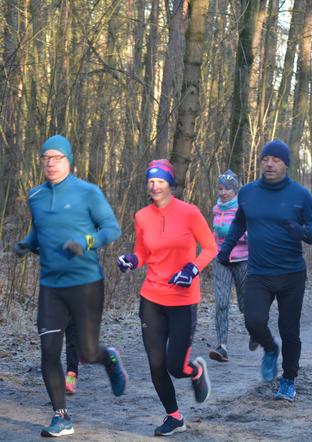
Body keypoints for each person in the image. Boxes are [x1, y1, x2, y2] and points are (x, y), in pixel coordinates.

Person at [13, 134, 126, 437]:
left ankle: (109, 358)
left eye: (57, 157)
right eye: (46, 157)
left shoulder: (88, 192)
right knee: (49, 352)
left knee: (87, 351)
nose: (50, 163)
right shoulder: (35, 195)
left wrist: (87, 242)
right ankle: (61, 416)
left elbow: (111, 229)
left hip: (86, 283)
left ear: (68, 160)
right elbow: (38, 231)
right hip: (51, 286)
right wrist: (26, 244)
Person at [217, 140, 312, 402]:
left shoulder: (300, 195)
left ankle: (288, 380)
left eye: (276, 159)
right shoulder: (248, 193)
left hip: (291, 275)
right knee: (253, 321)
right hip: (259, 273)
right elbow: (240, 221)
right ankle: (269, 348)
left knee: (290, 330)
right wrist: (227, 248)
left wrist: (304, 232)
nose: (269, 163)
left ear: (286, 164)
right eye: (266, 158)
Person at [116, 159, 216, 436]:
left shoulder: (190, 213)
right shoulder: (141, 216)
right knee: (156, 363)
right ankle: (174, 416)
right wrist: (130, 260)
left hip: (183, 300)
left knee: (175, 366)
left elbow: (209, 248)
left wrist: (192, 269)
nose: (154, 185)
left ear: (170, 184)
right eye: (150, 181)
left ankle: (194, 372)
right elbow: (143, 253)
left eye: (160, 181)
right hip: (151, 297)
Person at [209, 170, 249, 363]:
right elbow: (213, 234)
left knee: (244, 303)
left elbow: (251, 235)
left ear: (235, 190)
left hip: (242, 259)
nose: (223, 192)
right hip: (221, 260)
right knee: (222, 302)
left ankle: (256, 332)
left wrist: (233, 235)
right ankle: (222, 346)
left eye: (228, 189)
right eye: (220, 188)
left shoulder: (243, 208)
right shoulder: (216, 209)